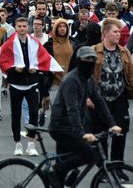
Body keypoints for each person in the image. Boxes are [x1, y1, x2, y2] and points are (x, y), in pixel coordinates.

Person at [46, 46, 122, 188]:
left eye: (92, 60)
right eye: (86, 60)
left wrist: (112, 124)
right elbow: (72, 109)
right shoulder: (71, 80)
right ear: (79, 61)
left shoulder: (88, 79)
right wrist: (82, 133)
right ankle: (55, 171)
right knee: (90, 155)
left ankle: (60, 173)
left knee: (64, 168)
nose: (89, 63)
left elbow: (99, 101)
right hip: (61, 127)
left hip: (70, 127)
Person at [0, 17, 62, 156]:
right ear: (15, 27)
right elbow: (3, 62)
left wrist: (37, 69)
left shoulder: (34, 43)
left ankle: (31, 143)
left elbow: (44, 58)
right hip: (16, 84)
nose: (22, 28)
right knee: (16, 114)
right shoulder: (9, 44)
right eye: (19, 26)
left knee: (34, 112)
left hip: (32, 82)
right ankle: (17, 144)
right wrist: (14, 69)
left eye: (24, 26)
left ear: (28, 27)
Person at [92, 18, 133, 162]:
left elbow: (130, 75)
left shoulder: (124, 52)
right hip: (99, 99)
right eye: (115, 32)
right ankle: (102, 167)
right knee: (101, 133)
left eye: (119, 32)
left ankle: (117, 164)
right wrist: (87, 97)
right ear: (105, 33)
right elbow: (85, 77)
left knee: (121, 131)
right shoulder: (94, 51)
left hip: (120, 99)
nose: (119, 35)